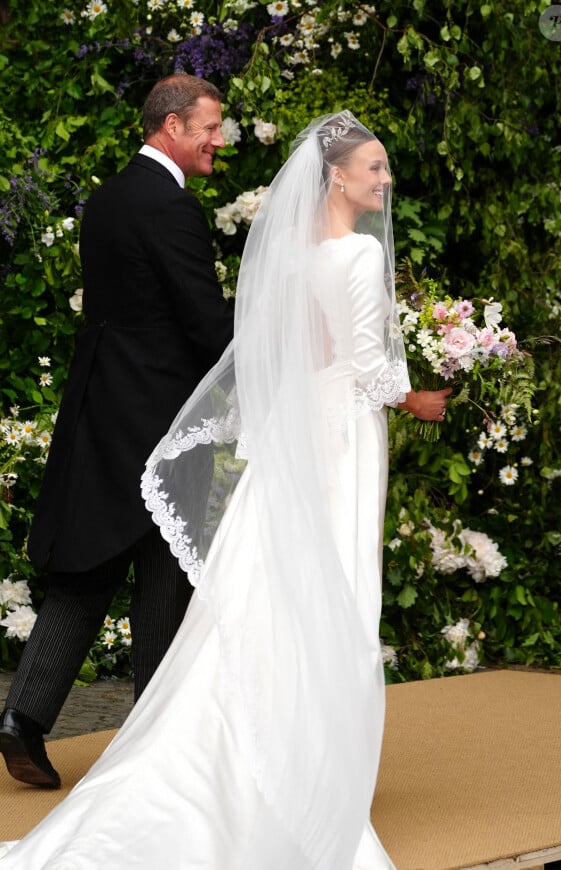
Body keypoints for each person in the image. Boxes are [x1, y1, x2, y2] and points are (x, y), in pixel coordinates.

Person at [0, 111, 450, 868]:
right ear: (337, 175)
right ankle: (297, 765)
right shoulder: (355, 256)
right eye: (375, 167)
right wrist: (421, 394)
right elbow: (362, 367)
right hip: (332, 438)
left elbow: (290, 348)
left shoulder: (273, 248)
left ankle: (176, 733)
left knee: (246, 591)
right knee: (329, 590)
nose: (386, 180)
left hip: (280, 435)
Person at [0, 74, 234, 790]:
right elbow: (203, 323)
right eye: (209, 127)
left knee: (88, 573)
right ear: (170, 125)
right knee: (163, 578)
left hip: (99, 412)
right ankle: (154, 744)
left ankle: (22, 719)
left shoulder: (105, 200)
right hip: (159, 421)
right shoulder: (171, 209)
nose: (218, 140)